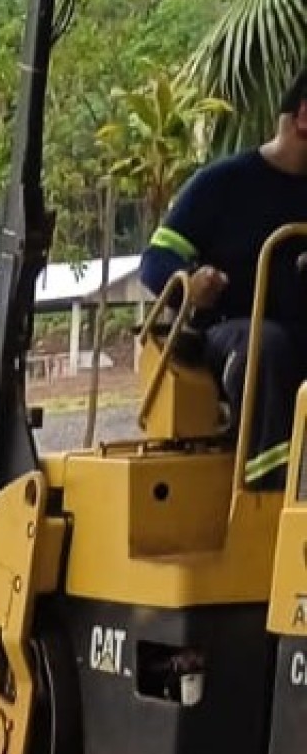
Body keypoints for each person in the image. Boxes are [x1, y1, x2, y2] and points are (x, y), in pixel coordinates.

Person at [141, 66, 307, 488]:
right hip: (233, 334)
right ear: (303, 117)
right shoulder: (223, 184)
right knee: (266, 347)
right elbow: (157, 258)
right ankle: (269, 496)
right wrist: (192, 282)